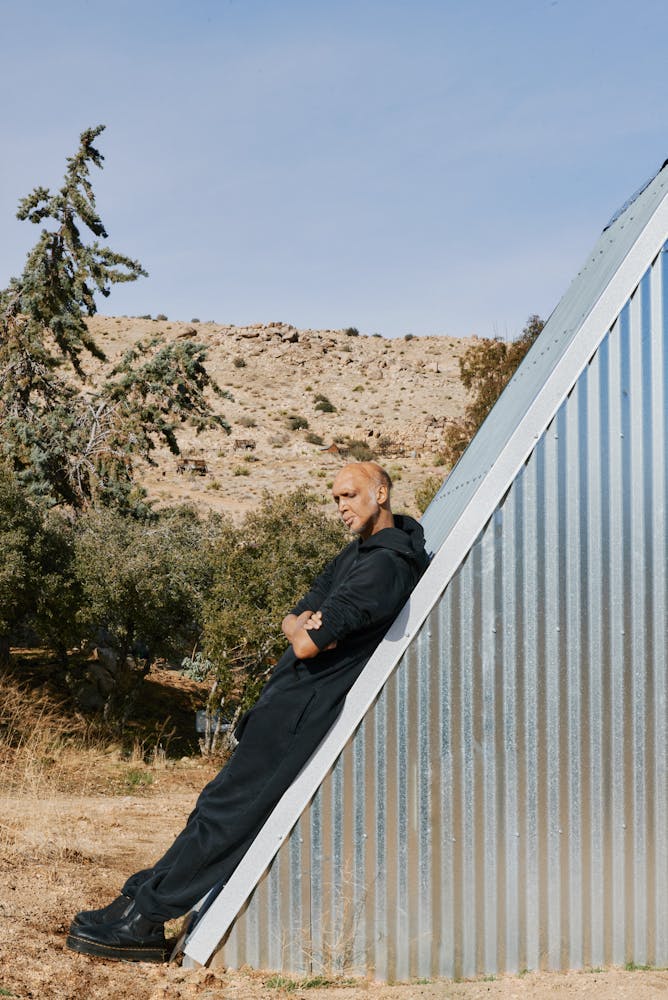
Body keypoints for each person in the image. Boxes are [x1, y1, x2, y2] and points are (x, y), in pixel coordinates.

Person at [66, 461, 429, 962]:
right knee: (213, 806)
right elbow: (296, 615)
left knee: (228, 818)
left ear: (381, 491)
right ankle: (137, 898)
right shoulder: (359, 552)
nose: (341, 507)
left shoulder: (385, 566)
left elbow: (307, 641)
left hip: (301, 712)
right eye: (335, 498)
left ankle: (147, 921)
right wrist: (301, 624)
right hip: (284, 702)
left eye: (349, 495)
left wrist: (304, 627)